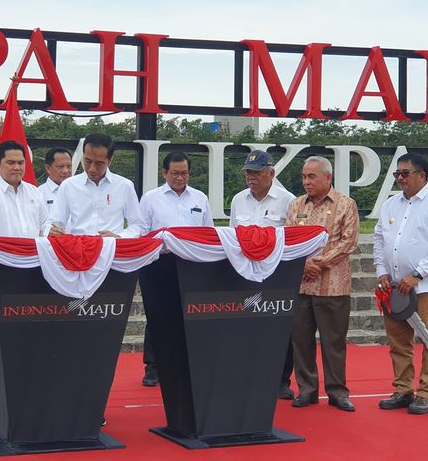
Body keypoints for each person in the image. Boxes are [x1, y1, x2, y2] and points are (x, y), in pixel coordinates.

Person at [373, 153, 428, 415]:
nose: (400, 178)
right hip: (394, 287)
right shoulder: (389, 206)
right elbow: (378, 240)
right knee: (398, 341)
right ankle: (403, 389)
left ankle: (426, 393)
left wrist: (416, 275)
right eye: (397, 173)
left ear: (422, 175)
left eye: (405, 173)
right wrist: (381, 271)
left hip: (425, 288)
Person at [286, 156, 359, 412]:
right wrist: (303, 265)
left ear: (328, 177)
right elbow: (289, 239)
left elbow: (348, 242)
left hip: (333, 286)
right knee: (301, 340)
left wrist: (318, 263)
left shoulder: (345, 204)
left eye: (312, 176)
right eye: (304, 176)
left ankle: (337, 392)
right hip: (301, 285)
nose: (306, 181)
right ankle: (306, 389)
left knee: (334, 341)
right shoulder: (296, 205)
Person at [139, 152, 213, 386]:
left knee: (188, 315)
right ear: (164, 173)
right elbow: (141, 231)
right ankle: (153, 367)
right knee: (157, 315)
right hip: (158, 263)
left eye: (184, 173)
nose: (180, 178)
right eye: (175, 173)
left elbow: (209, 232)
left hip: (190, 264)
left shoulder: (200, 198)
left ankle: (186, 364)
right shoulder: (151, 198)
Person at [229, 149, 296, 399]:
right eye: (248, 172)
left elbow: (292, 238)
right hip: (245, 275)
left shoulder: (288, 200)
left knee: (279, 329)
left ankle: (281, 380)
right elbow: (233, 236)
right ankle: (248, 375)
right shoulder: (238, 200)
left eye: (257, 173)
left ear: (271, 173)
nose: (252, 178)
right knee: (245, 327)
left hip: (277, 275)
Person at [50, 133, 145, 238]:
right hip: (77, 249)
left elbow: (138, 225)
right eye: (88, 161)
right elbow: (55, 222)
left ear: (109, 161)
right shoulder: (68, 185)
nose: (92, 169)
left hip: (111, 250)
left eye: (99, 164)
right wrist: (52, 231)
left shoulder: (125, 186)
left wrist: (119, 237)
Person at [0, 140, 51, 237]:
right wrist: (12, 250)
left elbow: (44, 228)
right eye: (11, 163)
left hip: (34, 251)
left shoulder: (35, 192)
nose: (17, 167)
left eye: (21, 163)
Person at [39, 147, 72, 212]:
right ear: (48, 168)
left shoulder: (77, 190)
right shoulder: (39, 194)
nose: (66, 171)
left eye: (69, 166)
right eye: (60, 167)